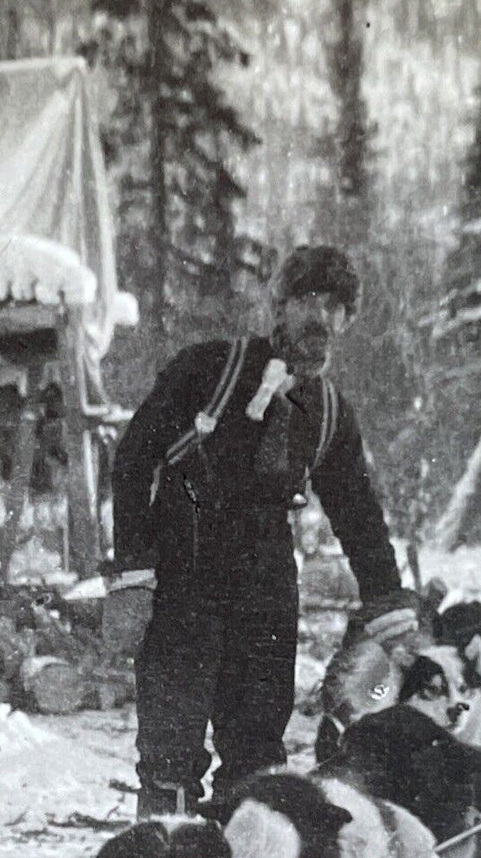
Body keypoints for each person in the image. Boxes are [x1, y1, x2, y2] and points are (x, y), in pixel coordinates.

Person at [108, 244, 418, 819]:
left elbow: (357, 512)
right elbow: (133, 458)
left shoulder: (327, 412)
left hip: (266, 587)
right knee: (169, 755)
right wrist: (132, 571)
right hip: (186, 573)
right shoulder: (208, 369)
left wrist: (387, 602)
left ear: (347, 321)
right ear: (279, 308)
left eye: (335, 307)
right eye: (307, 301)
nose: (320, 318)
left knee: (256, 756)